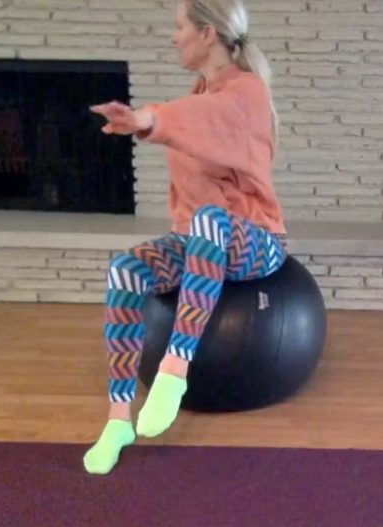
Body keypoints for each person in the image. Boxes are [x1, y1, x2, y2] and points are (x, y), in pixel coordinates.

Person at [83, 0, 286, 475]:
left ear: (207, 34)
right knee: (125, 269)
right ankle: (117, 420)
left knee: (209, 221)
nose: (173, 37)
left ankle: (173, 371)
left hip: (256, 239)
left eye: (179, 27)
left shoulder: (246, 92)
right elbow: (196, 116)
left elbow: (204, 118)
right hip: (198, 239)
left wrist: (149, 120)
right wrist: (151, 121)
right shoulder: (200, 90)